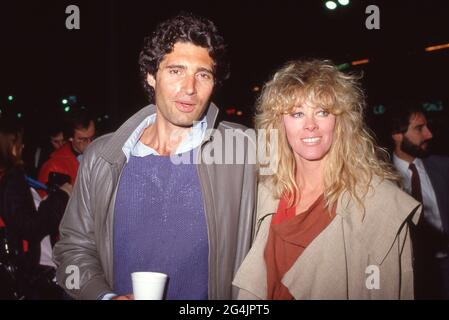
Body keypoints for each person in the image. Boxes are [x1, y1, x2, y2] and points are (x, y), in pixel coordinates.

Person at [53, 13, 257, 300]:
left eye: (203, 74)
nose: (189, 87)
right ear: (151, 76)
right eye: (176, 71)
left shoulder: (244, 150)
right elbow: (72, 248)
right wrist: (103, 297)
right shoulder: (102, 156)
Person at [232, 59, 422, 299]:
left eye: (323, 112)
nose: (310, 125)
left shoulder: (380, 204)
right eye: (297, 113)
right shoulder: (264, 192)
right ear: (279, 124)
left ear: (341, 121)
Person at [0, 118, 71, 299]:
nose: (23, 147)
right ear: (11, 146)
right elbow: (30, 228)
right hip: (21, 271)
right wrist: (61, 196)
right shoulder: (11, 179)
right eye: (19, 143)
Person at [388, 102, 449, 299]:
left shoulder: (444, 167)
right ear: (397, 134)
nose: (429, 134)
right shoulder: (381, 179)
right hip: (408, 276)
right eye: (419, 128)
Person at [38, 110, 96, 196]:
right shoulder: (53, 166)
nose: (90, 143)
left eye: (92, 137)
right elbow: (44, 204)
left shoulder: (102, 156)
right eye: (83, 139)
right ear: (70, 138)